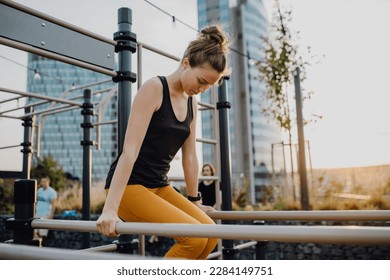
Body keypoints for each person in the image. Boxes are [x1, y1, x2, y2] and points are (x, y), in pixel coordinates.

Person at [96, 24, 230, 259]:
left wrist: (194, 200)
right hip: (130, 187)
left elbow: (190, 156)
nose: (202, 89)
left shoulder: (192, 103)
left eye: (208, 86)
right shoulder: (154, 88)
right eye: (201, 81)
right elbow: (130, 151)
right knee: (194, 238)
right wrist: (110, 209)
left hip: (159, 186)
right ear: (186, 62)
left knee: (211, 235)